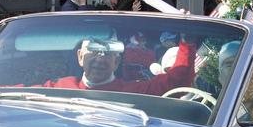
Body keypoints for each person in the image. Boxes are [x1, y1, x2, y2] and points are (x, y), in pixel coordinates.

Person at [43, 37, 196, 96]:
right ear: (80, 57)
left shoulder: (133, 91)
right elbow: (19, 96)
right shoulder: (59, 87)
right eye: (94, 51)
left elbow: (176, 83)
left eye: (107, 53)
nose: (100, 59)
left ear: (116, 62)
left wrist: (186, 40)